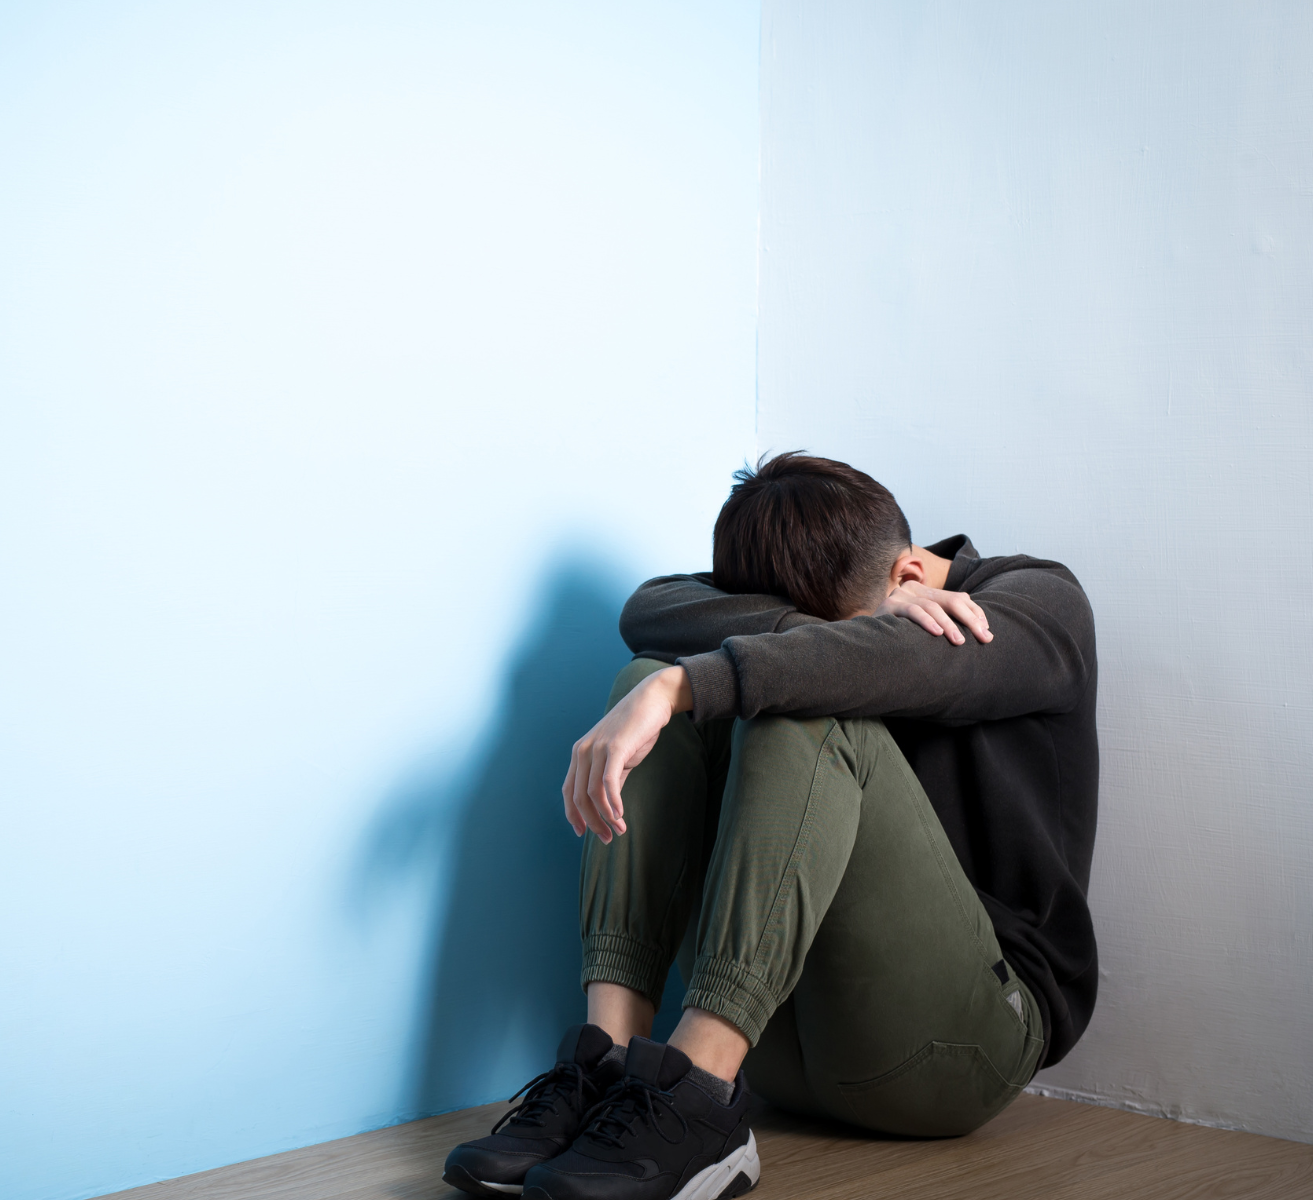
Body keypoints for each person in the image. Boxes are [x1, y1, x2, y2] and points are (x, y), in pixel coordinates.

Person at [442, 452, 1099, 1200]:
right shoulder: (841, 592)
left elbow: (898, 670)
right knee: (644, 678)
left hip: (961, 1045)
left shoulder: (1040, 607)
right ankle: (610, 1064)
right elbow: (651, 606)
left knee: (801, 703)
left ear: (912, 578)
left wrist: (693, 679)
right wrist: (682, 675)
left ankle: (697, 1101)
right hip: (781, 1047)